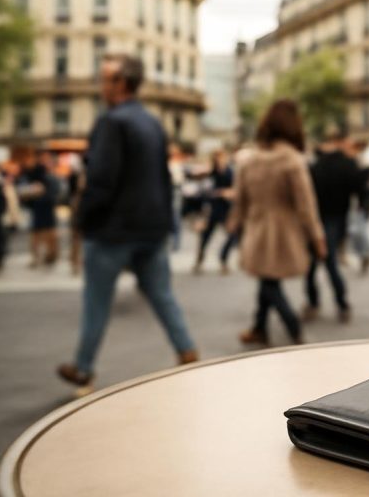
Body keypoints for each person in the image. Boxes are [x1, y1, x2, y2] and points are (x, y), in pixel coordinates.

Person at [58, 54, 198, 388]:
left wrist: (82, 218)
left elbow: (102, 180)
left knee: (97, 301)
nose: (100, 85)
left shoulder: (112, 122)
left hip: (113, 230)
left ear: (120, 83)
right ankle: (187, 350)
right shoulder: (152, 122)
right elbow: (162, 179)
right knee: (162, 294)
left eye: (105, 79)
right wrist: (166, 222)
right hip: (151, 227)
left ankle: (83, 366)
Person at [227, 100, 327, 346]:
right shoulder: (292, 160)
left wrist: (233, 224)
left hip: (256, 228)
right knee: (269, 281)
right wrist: (317, 237)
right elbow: (306, 205)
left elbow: (240, 199)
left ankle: (260, 327)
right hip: (284, 232)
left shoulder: (248, 159)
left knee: (266, 278)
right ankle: (293, 329)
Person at [305, 128, 364, 323]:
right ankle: (342, 304)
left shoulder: (314, 166)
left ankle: (315, 302)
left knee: (313, 264)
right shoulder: (348, 164)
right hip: (337, 219)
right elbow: (360, 190)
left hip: (316, 219)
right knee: (330, 263)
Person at [194, 150, 238, 274]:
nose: (220, 161)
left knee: (232, 235)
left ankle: (223, 259)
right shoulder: (210, 173)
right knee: (205, 236)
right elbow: (205, 191)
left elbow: (236, 189)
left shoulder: (230, 172)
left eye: (222, 158)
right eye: (217, 158)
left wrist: (230, 193)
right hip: (212, 209)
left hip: (226, 208)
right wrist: (220, 192)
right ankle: (199, 260)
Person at [19, 151, 60, 268]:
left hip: (45, 208)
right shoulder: (39, 173)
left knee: (48, 234)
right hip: (39, 208)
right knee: (38, 234)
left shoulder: (50, 176)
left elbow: (53, 193)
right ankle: (38, 257)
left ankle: (49, 255)